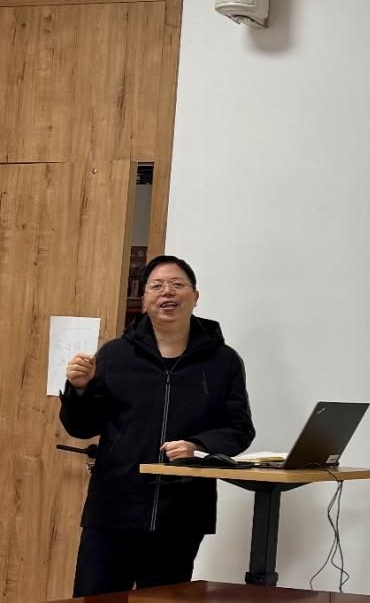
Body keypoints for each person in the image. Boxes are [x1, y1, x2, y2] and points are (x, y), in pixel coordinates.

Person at [60, 255, 256, 596]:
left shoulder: (223, 360)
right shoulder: (115, 355)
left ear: (195, 296)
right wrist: (80, 389)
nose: (168, 292)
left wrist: (198, 446)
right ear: (145, 299)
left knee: (166, 600)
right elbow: (82, 427)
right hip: (113, 509)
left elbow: (239, 428)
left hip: (181, 513)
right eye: (157, 286)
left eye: (178, 285)